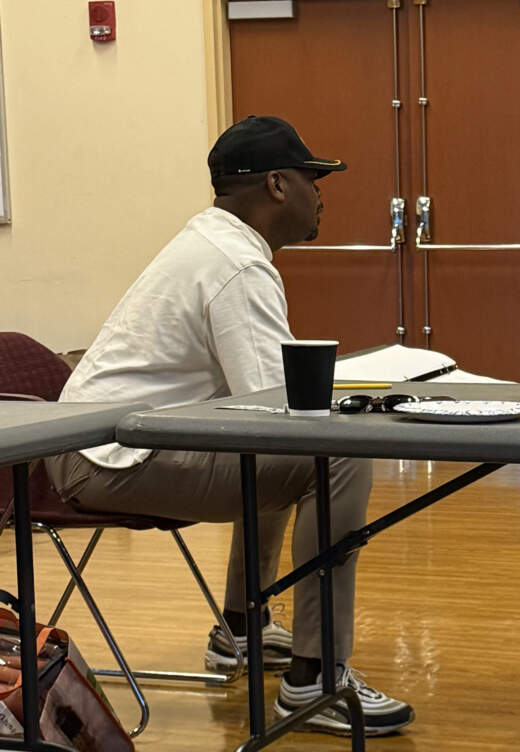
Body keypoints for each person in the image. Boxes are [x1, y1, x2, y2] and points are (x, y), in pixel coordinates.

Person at [44, 115, 414, 736]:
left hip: (94, 444)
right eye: (311, 178)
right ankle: (313, 680)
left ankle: (242, 631)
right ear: (275, 185)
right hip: (110, 458)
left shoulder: (214, 245)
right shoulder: (235, 266)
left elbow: (263, 406)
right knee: (337, 456)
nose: (320, 193)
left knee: (271, 452)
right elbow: (284, 414)